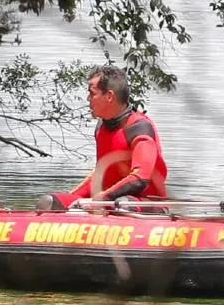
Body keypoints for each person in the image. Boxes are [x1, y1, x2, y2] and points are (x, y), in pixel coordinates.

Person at [37, 66, 168, 211]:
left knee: (123, 204)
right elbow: (101, 174)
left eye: (92, 94)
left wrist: (100, 199)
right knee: (48, 202)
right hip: (107, 200)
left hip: (144, 203)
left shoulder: (139, 127)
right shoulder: (101, 127)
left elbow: (140, 179)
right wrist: (71, 199)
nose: (88, 99)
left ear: (109, 96)